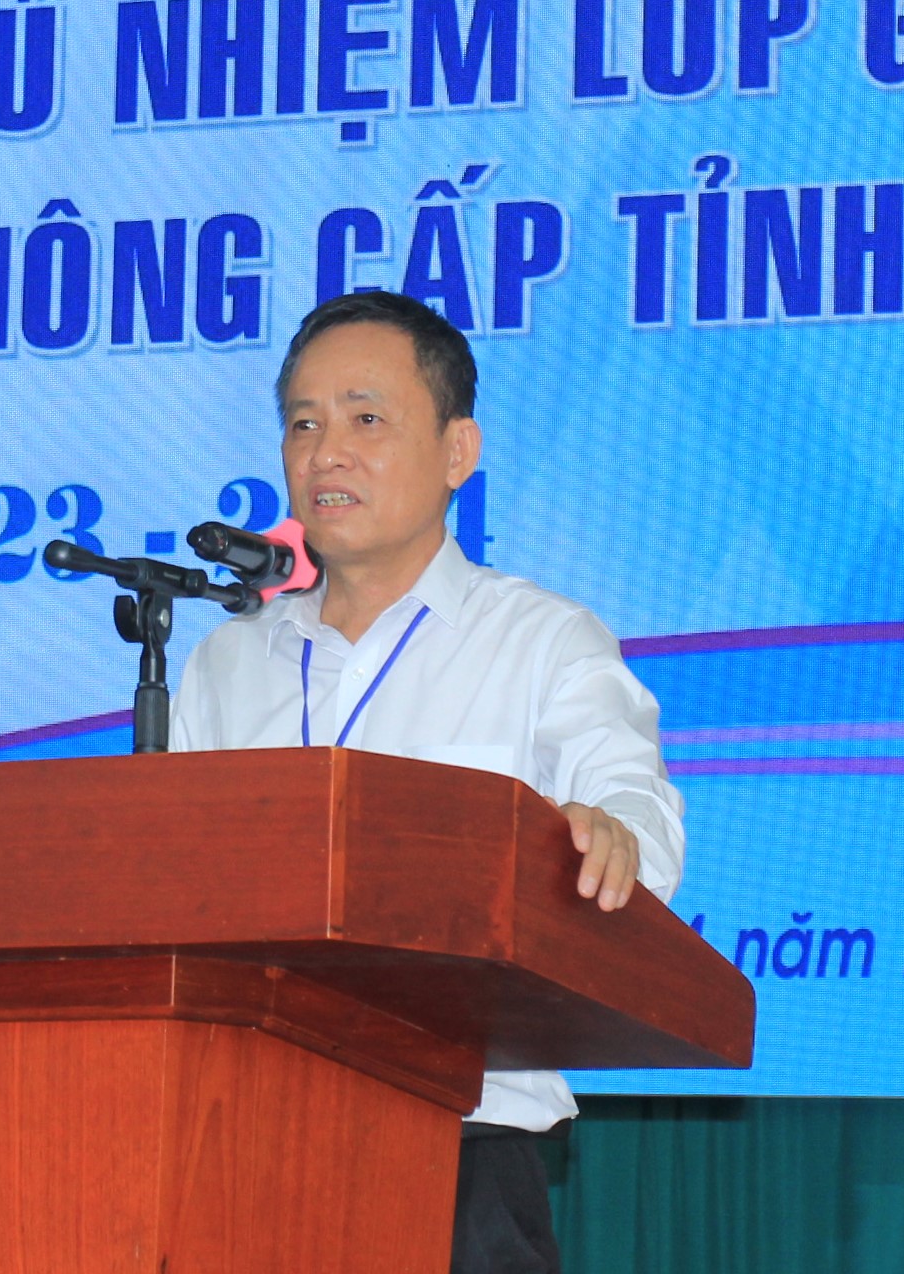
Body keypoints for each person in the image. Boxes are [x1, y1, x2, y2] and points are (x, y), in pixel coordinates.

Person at [169, 290, 685, 1274]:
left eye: (365, 419)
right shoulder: (225, 663)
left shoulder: (539, 640)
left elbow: (634, 808)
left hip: (463, 1152)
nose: (326, 452)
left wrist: (613, 831)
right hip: (245, 1143)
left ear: (457, 451)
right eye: (303, 424)